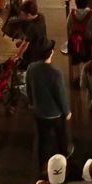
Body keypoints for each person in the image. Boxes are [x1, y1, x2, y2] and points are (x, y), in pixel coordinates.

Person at [25, 40, 71, 171]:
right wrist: (67, 111)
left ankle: (43, 167)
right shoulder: (56, 73)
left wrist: (32, 103)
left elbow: (28, 88)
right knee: (61, 137)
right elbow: (61, 95)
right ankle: (64, 160)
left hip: (39, 113)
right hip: (56, 114)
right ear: (51, 53)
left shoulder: (31, 68)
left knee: (43, 140)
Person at [67, 0, 92, 86]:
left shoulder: (72, 13)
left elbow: (68, 25)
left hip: (75, 40)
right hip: (87, 41)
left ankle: (76, 79)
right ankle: (86, 79)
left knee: (75, 60)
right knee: (87, 59)